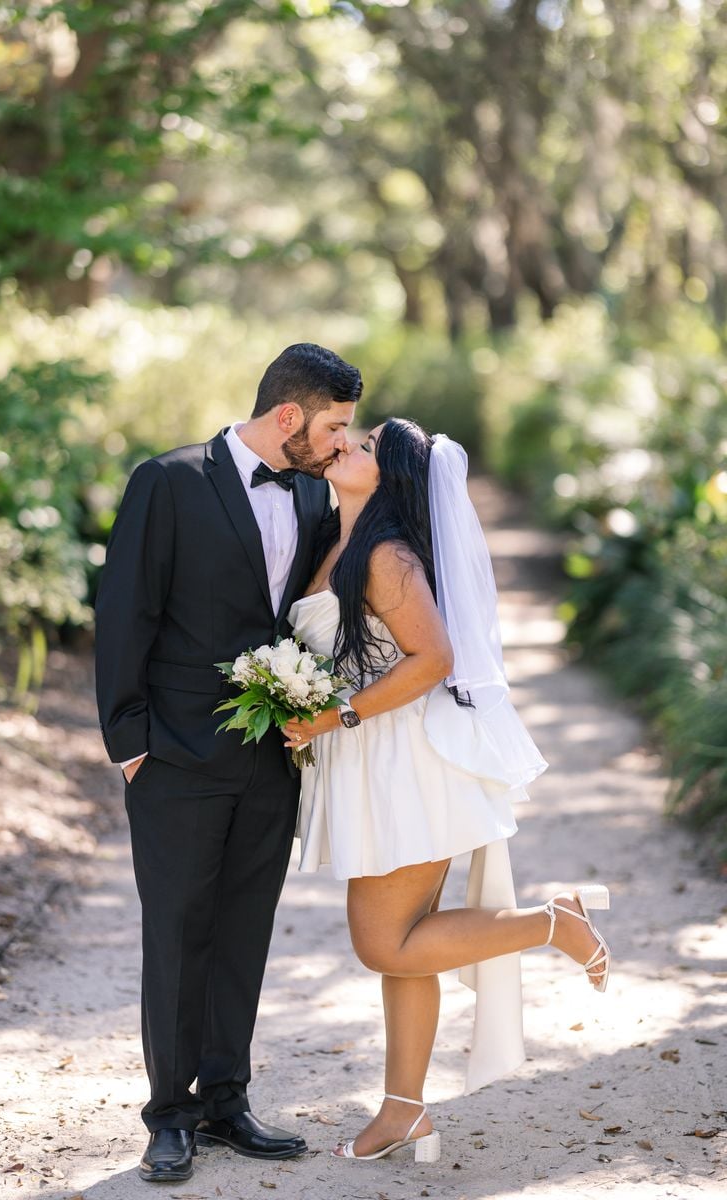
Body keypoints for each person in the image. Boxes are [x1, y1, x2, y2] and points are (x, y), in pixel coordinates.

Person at [282, 418, 611, 1164]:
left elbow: (435, 658)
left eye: (363, 446)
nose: (345, 446)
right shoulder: (335, 540)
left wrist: (333, 714)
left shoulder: (388, 558)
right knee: (404, 951)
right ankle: (404, 1112)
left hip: (404, 761)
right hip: (372, 761)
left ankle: (552, 923)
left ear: (390, 477)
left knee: (380, 941)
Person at [94, 343, 362, 1183]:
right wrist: (131, 746)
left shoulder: (318, 491)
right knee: (177, 932)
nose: (339, 444)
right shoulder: (166, 481)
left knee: (244, 930)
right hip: (172, 755)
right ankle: (168, 1115)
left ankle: (225, 1100)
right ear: (290, 416)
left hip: (270, 759)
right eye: (334, 428)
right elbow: (124, 614)